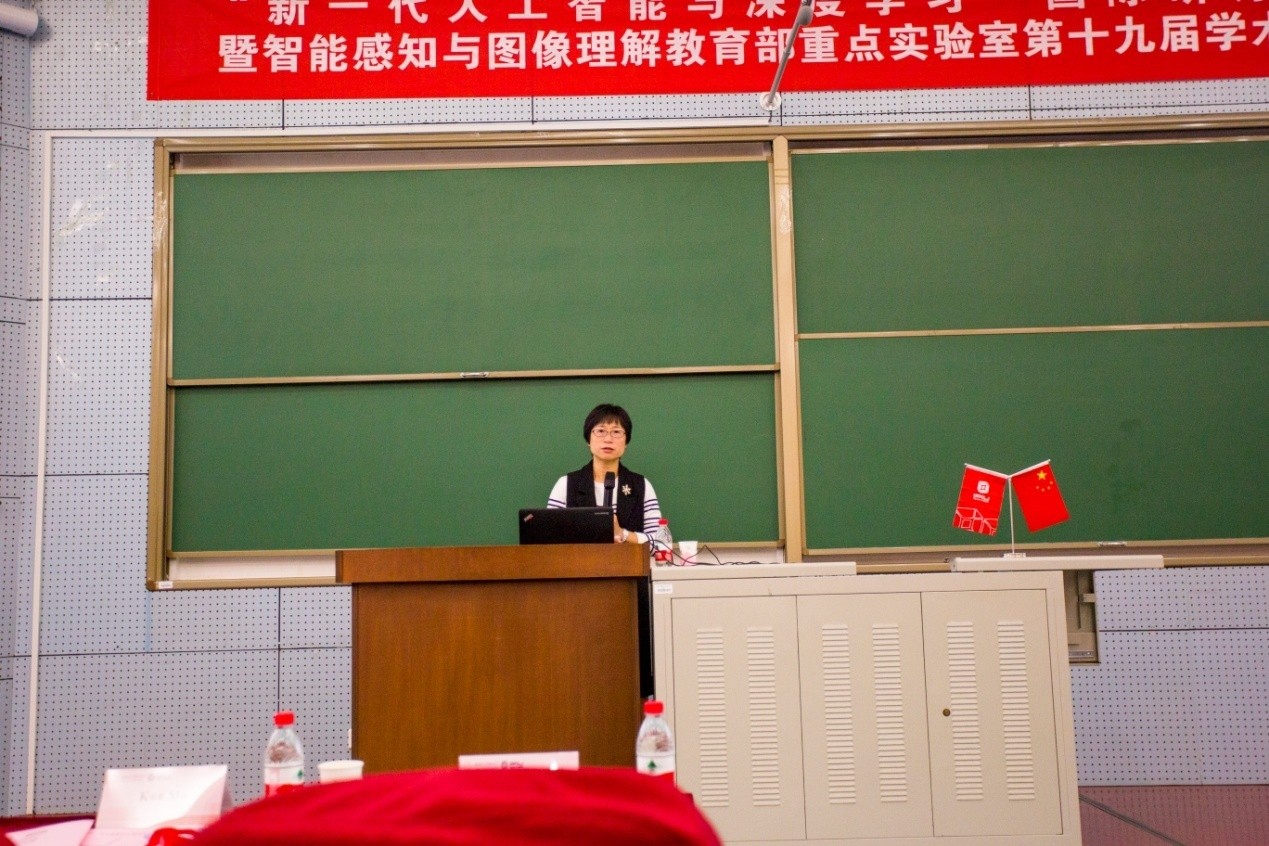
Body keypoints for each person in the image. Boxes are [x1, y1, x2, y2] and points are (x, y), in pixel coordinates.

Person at [548, 403, 662, 544]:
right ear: (588, 439)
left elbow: (660, 543)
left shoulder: (641, 485)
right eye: (600, 431)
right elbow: (548, 540)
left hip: (627, 559)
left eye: (616, 432)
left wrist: (623, 534)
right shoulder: (565, 485)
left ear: (626, 442)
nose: (608, 439)